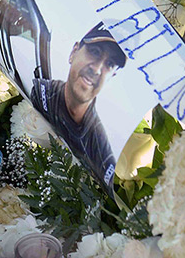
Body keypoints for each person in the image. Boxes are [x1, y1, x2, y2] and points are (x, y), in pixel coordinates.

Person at [30, 22, 127, 189]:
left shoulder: (102, 155)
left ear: (113, 76)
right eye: (95, 52)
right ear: (74, 52)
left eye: (109, 64)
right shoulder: (41, 92)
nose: (97, 69)